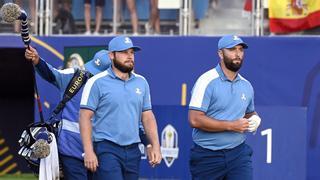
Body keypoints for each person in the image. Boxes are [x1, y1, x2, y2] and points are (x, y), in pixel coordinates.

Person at [79, 35, 162, 179]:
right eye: (124, 52)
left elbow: (147, 117)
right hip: (106, 148)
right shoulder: (96, 82)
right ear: (111, 55)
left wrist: (155, 145)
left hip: (133, 150)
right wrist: (88, 151)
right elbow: (84, 117)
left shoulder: (142, 82)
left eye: (131, 52)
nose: (129, 56)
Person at [24, 47, 111, 179]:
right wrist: (37, 60)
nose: (92, 75)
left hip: (102, 152)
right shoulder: (77, 76)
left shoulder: (116, 87)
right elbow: (52, 74)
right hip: (71, 150)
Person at [188, 34, 261, 179]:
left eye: (240, 49)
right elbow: (195, 120)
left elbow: (249, 113)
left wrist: (255, 118)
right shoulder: (206, 81)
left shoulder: (246, 85)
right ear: (220, 54)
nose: (237, 54)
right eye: (232, 49)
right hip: (207, 156)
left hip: (239, 154)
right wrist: (232, 125)